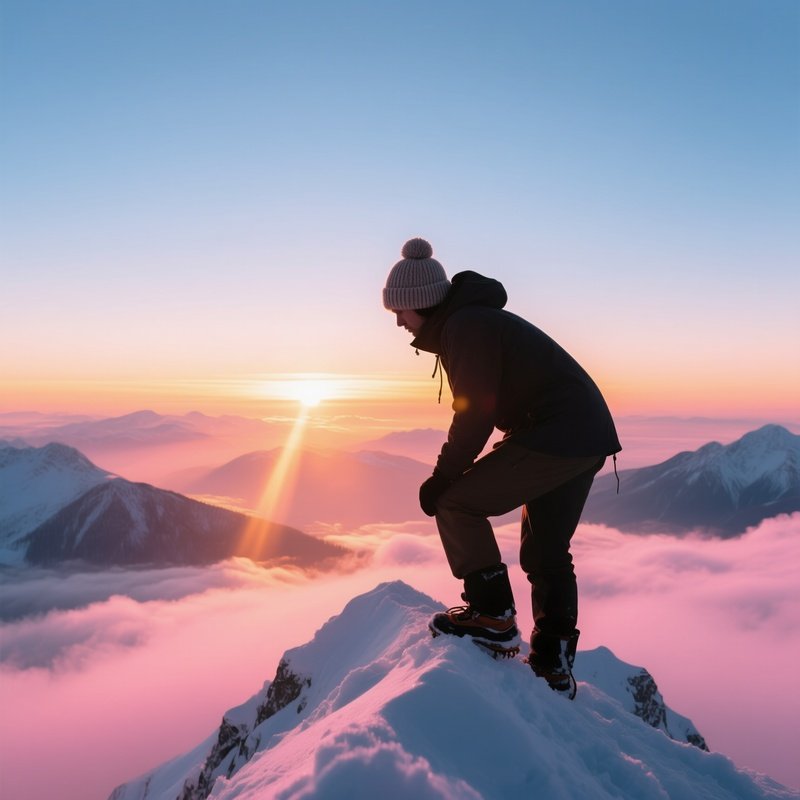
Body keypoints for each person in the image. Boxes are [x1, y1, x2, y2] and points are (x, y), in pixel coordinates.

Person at [383, 237, 621, 699]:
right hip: (584, 435)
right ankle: (553, 663)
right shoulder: (472, 321)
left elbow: (476, 413)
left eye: (400, 310)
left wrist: (443, 476)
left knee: (456, 503)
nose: (398, 321)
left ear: (421, 302)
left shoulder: (465, 327)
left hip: (556, 434)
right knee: (547, 551)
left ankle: (492, 617)